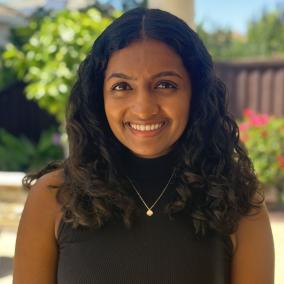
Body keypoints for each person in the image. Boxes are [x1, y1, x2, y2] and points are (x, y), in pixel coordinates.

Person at [13, 7, 274, 284]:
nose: (143, 109)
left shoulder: (240, 204)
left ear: (195, 94)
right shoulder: (53, 198)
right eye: (122, 87)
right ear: (98, 97)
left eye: (165, 84)